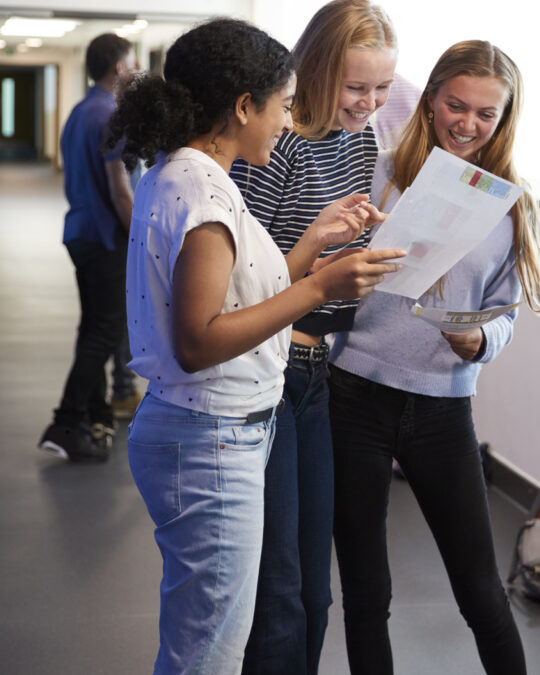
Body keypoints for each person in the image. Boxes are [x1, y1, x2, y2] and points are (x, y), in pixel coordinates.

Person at [106, 18, 403, 674]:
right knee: (210, 651)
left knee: (211, 637)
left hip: (213, 428)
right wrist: (322, 283)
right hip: (210, 434)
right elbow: (198, 338)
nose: (287, 121)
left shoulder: (185, 174)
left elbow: (243, 293)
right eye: (284, 106)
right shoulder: (204, 190)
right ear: (245, 106)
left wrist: (311, 247)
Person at [327, 40, 540, 675]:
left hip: (444, 406)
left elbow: (506, 311)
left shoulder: (510, 201)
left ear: (505, 119)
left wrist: (483, 341)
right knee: (367, 593)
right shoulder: (376, 171)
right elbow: (322, 270)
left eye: (487, 114)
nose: (468, 124)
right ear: (429, 101)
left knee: (480, 591)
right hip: (355, 396)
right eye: (456, 105)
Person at [227, 2, 396, 672]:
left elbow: (329, 253)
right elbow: (243, 284)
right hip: (264, 373)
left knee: (314, 596)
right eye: (358, 87)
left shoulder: (362, 141)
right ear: (316, 71)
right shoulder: (276, 143)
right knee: (281, 597)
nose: (371, 103)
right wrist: (322, 260)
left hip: (317, 372)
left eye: (382, 88)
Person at [38, 33, 136, 462]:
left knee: (93, 327)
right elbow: (120, 192)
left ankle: (93, 417)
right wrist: (142, 239)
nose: (135, 69)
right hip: (104, 237)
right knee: (105, 331)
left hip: (79, 232)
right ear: (118, 67)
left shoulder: (79, 111)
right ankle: (63, 422)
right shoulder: (112, 114)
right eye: (132, 62)